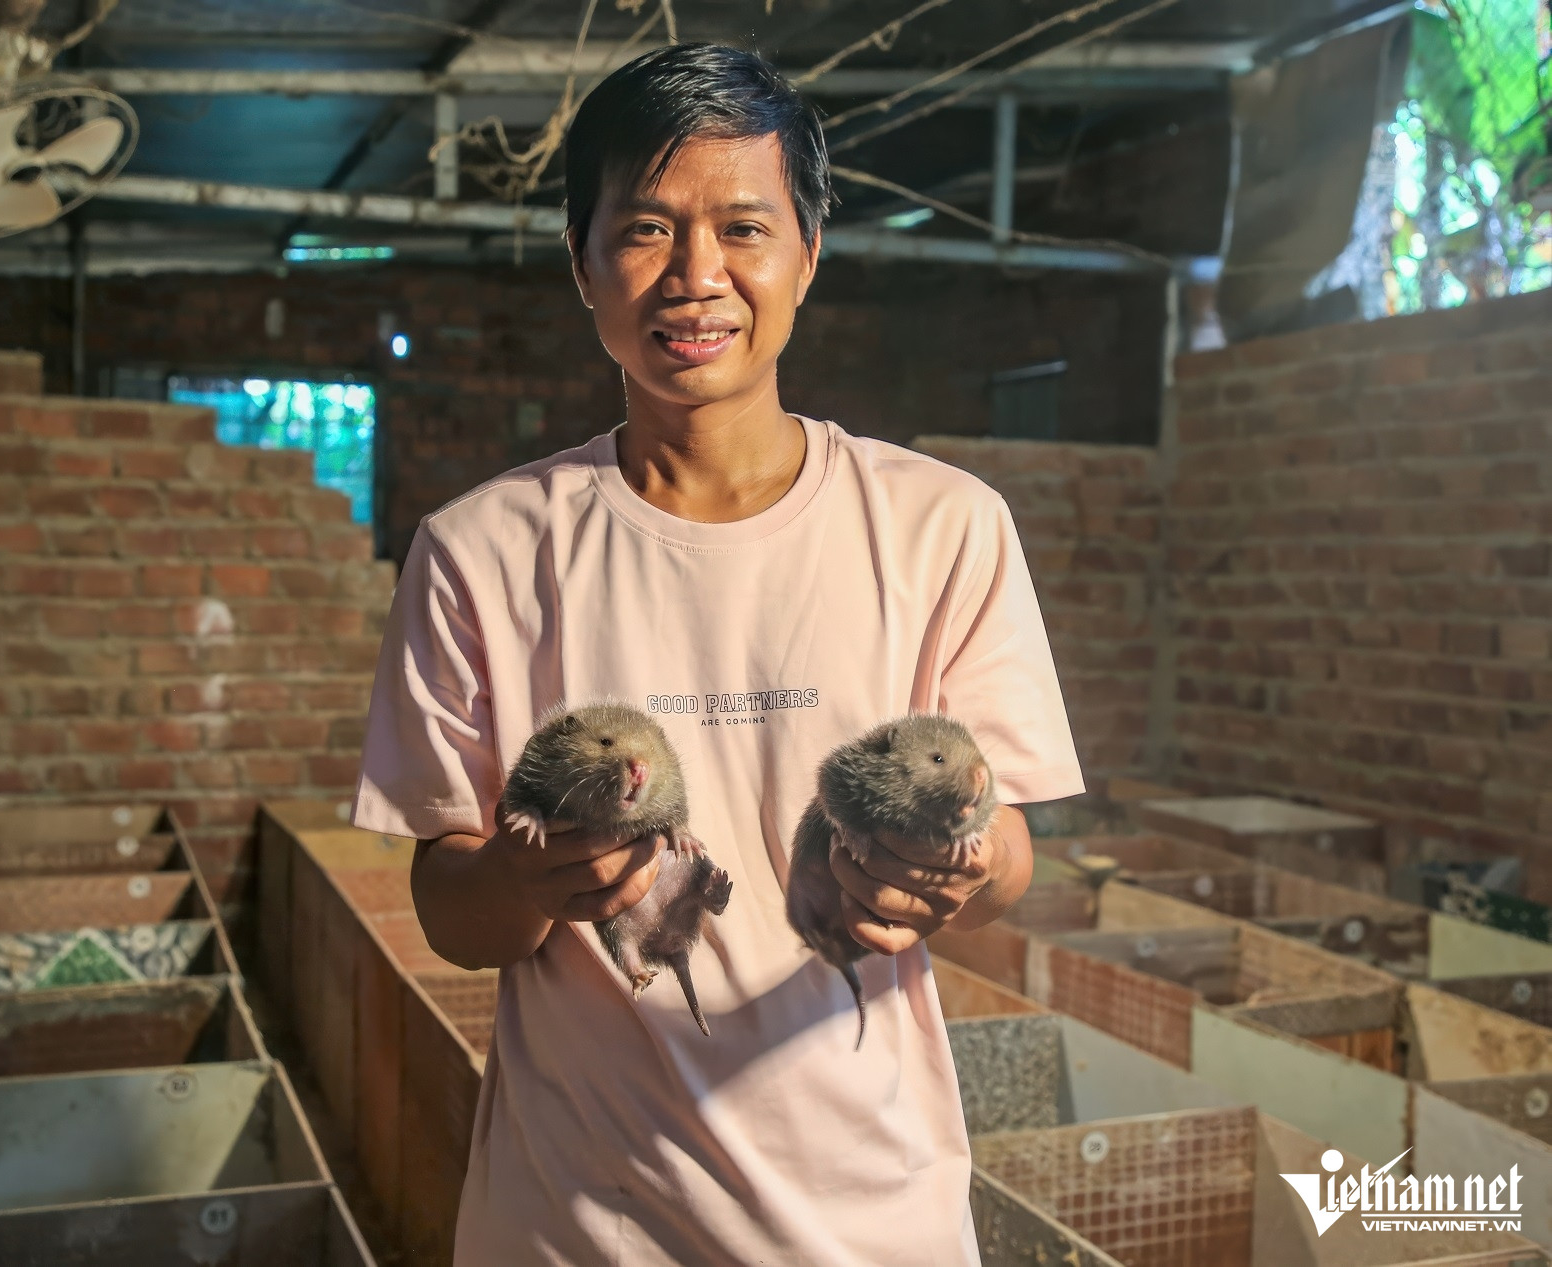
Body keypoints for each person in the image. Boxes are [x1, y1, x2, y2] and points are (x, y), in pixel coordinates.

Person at [351, 42, 1085, 1266]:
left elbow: (1008, 853)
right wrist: (531, 878)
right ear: (581, 262)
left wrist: (953, 866)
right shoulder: (479, 551)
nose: (697, 277)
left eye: (743, 227)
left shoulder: (941, 526)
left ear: (807, 252)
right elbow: (450, 907)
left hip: (873, 1218)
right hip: (581, 1225)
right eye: (645, 230)